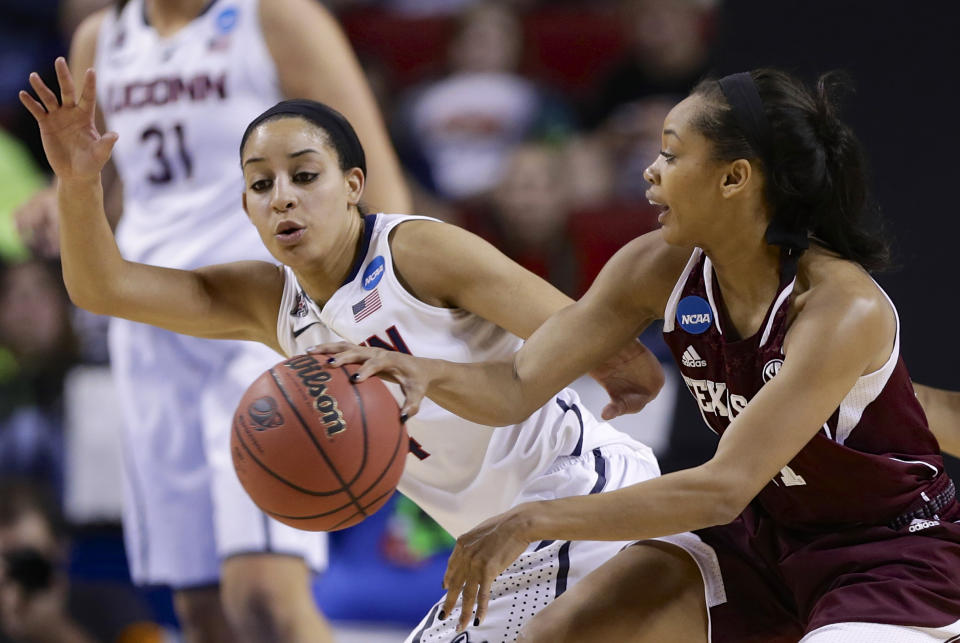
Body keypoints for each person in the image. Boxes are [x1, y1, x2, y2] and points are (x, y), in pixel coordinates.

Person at [19, 60, 710, 643]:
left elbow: (579, 326)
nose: (282, 197)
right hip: (493, 543)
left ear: (353, 185)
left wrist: (624, 364)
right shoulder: (269, 303)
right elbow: (104, 287)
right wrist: (78, 184)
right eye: (262, 185)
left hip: (575, 494)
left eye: (304, 175)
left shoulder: (414, 251)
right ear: (248, 209)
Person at [317, 69, 960, 642]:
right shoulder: (655, 269)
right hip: (763, 542)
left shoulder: (841, 309)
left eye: (672, 154)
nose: (650, 170)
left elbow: (720, 489)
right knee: (563, 632)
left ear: (735, 178)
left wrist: (529, 521)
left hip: (887, 556)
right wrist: (426, 373)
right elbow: (518, 381)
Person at [14, 0, 411, 639]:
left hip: (260, 321)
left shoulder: (277, 19)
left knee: (265, 598)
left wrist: (385, 320)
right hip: (148, 326)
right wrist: (62, 202)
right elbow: (111, 187)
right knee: (202, 611)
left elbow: (378, 186)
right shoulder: (101, 37)